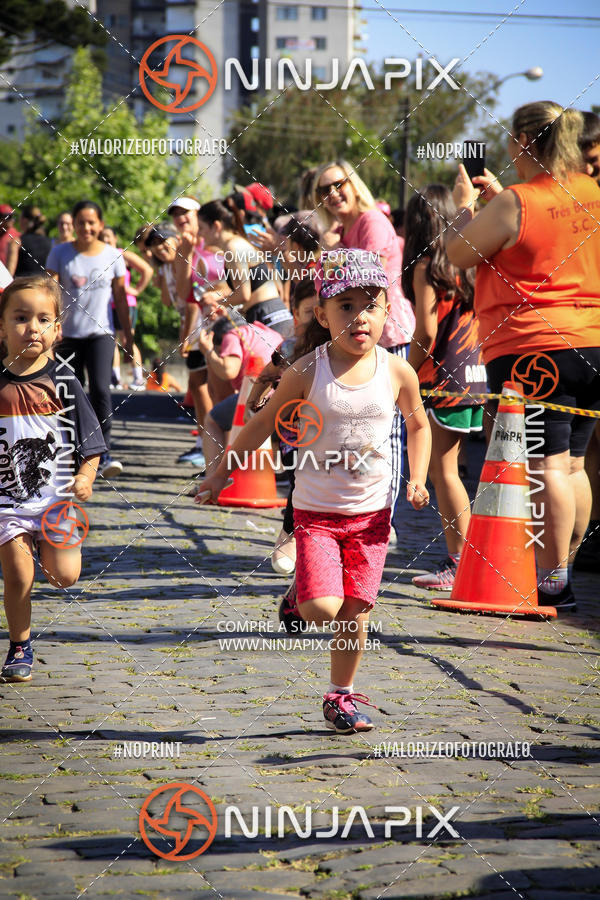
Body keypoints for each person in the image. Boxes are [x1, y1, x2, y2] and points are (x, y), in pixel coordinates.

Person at [196, 250, 430, 734]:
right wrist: (220, 472)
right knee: (322, 609)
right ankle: (300, 590)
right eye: (345, 305)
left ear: (388, 311)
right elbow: (261, 421)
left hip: (373, 517)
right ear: (322, 315)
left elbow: (419, 424)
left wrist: (418, 477)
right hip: (316, 514)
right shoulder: (308, 369)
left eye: (370, 305)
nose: (359, 316)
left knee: (355, 609)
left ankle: (340, 696)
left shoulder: (397, 371)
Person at [447, 101, 600, 611]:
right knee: (574, 465)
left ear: (522, 142)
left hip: (533, 349)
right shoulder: (590, 191)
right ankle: (565, 569)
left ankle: (553, 582)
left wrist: (468, 207)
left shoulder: (518, 200)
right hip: (590, 342)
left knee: (544, 467)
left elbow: (459, 253)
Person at [0, 275, 105, 683]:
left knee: (65, 576)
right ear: (2, 327)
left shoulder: (63, 382)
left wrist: (86, 476)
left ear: (57, 331)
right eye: (21, 317)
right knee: (18, 577)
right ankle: (20, 644)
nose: (32, 327)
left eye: (44, 319)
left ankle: (48, 548)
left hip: (56, 501)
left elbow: (91, 442)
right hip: (8, 503)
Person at [313, 159, 416, 542]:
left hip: (387, 333)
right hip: (359, 335)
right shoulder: (344, 231)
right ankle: (358, 514)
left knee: (387, 431)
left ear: (354, 183)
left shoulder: (371, 222)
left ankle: (381, 520)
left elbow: (364, 283)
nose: (332, 194)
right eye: (323, 191)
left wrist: (332, 254)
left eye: (338, 184)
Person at [402, 185, 486, 590]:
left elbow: (425, 331)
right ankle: (466, 560)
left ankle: (462, 563)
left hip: (442, 380)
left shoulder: (426, 266)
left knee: (444, 473)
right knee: (453, 471)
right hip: (477, 375)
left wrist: (404, 370)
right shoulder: (466, 262)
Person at [46, 200, 133, 479]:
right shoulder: (60, 253)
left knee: (100, 390)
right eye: (81, 222)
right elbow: (51, 292)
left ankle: (102, 451)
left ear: (101, 225)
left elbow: (121, 298)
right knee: (69, 391)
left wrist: (127, 334)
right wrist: (52, 325)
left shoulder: (113, 254)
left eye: (91, 222)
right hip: (68, 336)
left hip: (101, 334)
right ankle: (70, 450)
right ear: (73, 223)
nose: (86, 227)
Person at [246, 277, 319, 575]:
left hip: (331, 434)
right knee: (299, 481)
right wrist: (254, 400)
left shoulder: (342, 350)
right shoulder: (290, 346)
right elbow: (267, 373)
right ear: (295, 314)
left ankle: (316, 542)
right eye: (308, 312)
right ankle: (288, 535)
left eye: (321, 311)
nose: (317, 320)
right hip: (292, 433)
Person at [196, 312, 283, 476]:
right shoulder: (269, 333)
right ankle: (276, 472)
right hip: (286, 394)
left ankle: (213, 478)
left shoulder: (233, 334)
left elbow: (229, 370)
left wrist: (208, 352)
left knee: (212, 421)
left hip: (260, 394)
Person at [196, 200, 293, 337]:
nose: (199, 234)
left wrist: (217, 303)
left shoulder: (233, 247)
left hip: (268, 315)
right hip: (265, 313)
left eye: (201, 228)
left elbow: (243, 294)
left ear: (216, 226)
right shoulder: (235, 244)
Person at [100, 226, 153, 390]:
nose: (106, 240)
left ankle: (138, 378)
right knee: (111, 342)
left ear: (115, 238)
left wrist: (136, 290)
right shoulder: (98, 257)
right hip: (107, 305)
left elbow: (147, 270)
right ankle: (114, 379)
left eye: (108, 236)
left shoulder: (123, 254)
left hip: (126, 304)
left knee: (127, 340)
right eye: (102, 237)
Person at [7, 207, 52, 278]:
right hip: (43, 286)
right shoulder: (51, 242)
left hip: (23, 286)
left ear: (24, 220)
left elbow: (9, 274)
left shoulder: (16, 242)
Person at [0, 205, 20, 269]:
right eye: (8, 217)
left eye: (12, 216)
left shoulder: (17, 236)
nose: (12, 220)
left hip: (9, 276)